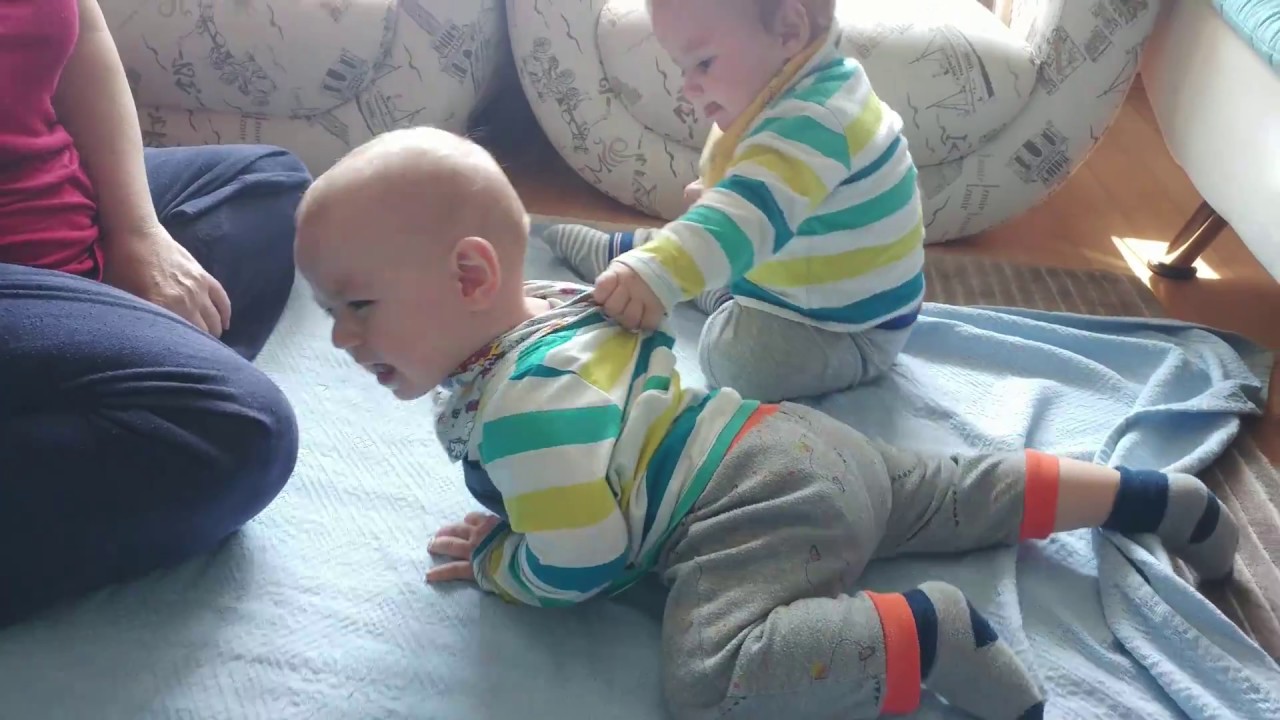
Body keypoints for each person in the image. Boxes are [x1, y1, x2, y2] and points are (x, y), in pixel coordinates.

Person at [293, 127, 1239, 720]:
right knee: (954, 490)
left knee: (711, 681)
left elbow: (579, 560)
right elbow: (641, 293)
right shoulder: (555, 305)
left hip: (750, 514)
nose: (335, 338)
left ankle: (931, 633)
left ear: (469, 279)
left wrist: (506, 562)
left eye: (357, 306)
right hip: (789, 438)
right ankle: (1154, 498)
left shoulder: (522, 419)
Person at [0, 0, 311, 627]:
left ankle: (103, 366)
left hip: (53, 218)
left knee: (272, 184)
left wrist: (137, 231)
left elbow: (83, 29)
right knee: (242, 431)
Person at [543, 0, 925, 402]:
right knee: (701, 240)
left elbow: (745, 215)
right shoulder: (797, 90)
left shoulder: (816, 121)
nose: (688, 86)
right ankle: (650, 265)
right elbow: (755, 193)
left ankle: (694, 284)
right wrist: (715, 199)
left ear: (787, 32)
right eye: (682, 67)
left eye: (703, 63)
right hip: (800, 276)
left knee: (730, 358)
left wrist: (669, 264)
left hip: (846, 330)